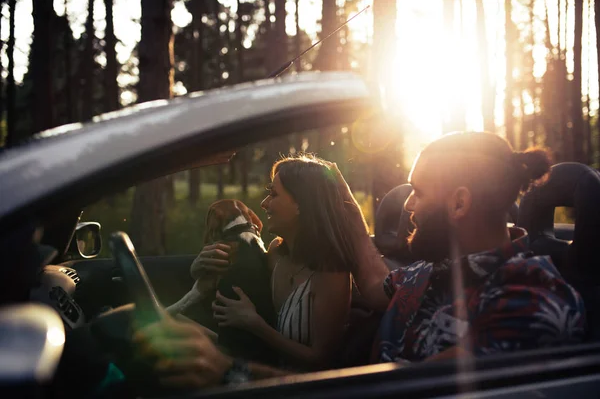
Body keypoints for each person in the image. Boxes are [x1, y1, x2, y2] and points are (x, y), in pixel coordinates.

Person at [133, 132, 586, 388]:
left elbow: (396, 394)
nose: (407, 206)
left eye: (419, 193)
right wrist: (345, 208)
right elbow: (374, 286)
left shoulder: (527, 299)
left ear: (460, 203)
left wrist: (229, 372)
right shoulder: (432, 271)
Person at [191, 155, 368, 371]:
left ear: (302, 204)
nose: (264, 204)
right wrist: (198, 268)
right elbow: (237, 283)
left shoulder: (331, 273)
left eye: (273, 194)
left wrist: (255, 324)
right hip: (262, 367)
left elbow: (319, 359)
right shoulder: (275, 252)